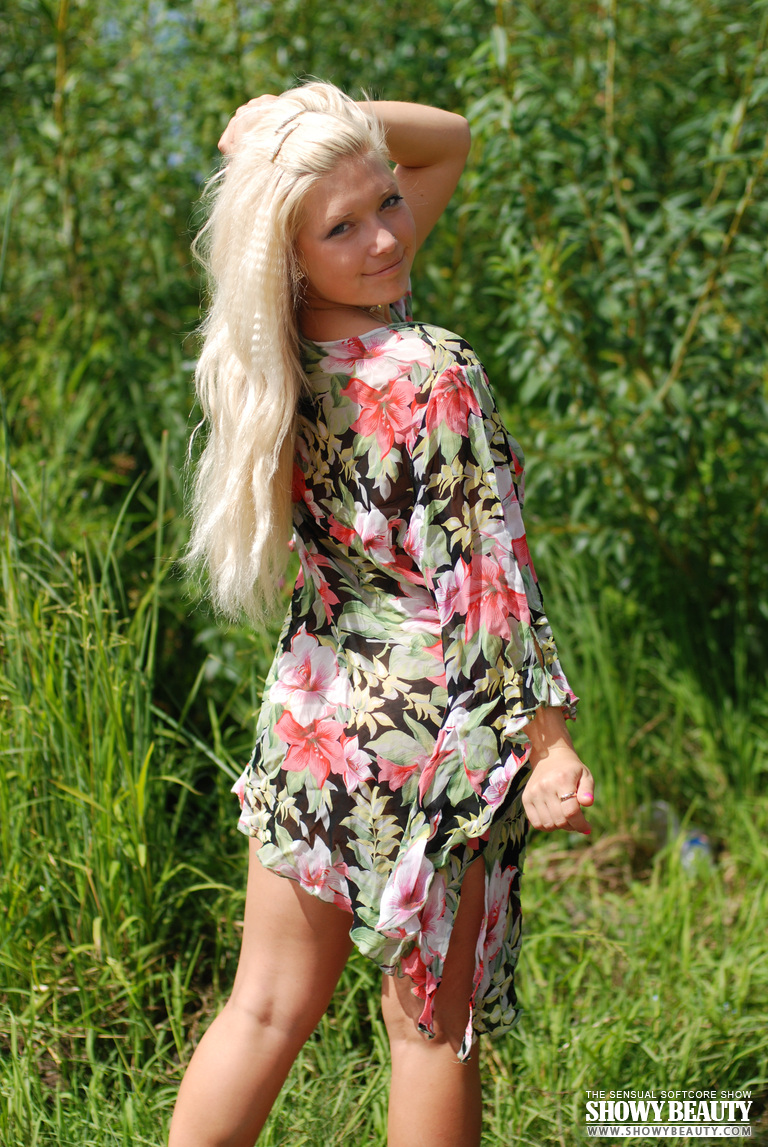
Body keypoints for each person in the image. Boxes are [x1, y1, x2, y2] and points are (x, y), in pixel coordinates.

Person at [170, 81, 594, 1147]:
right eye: (345, 226)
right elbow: (488, 583)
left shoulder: (274, 348)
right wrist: (548, 743)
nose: (386, 239)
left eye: (388, 203)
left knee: (263, 1010)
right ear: (291, 248)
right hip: (431, 734)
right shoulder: (432, 371)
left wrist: (297, 127)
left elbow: (443, 146)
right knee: (431, 1032)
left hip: (314, 710)